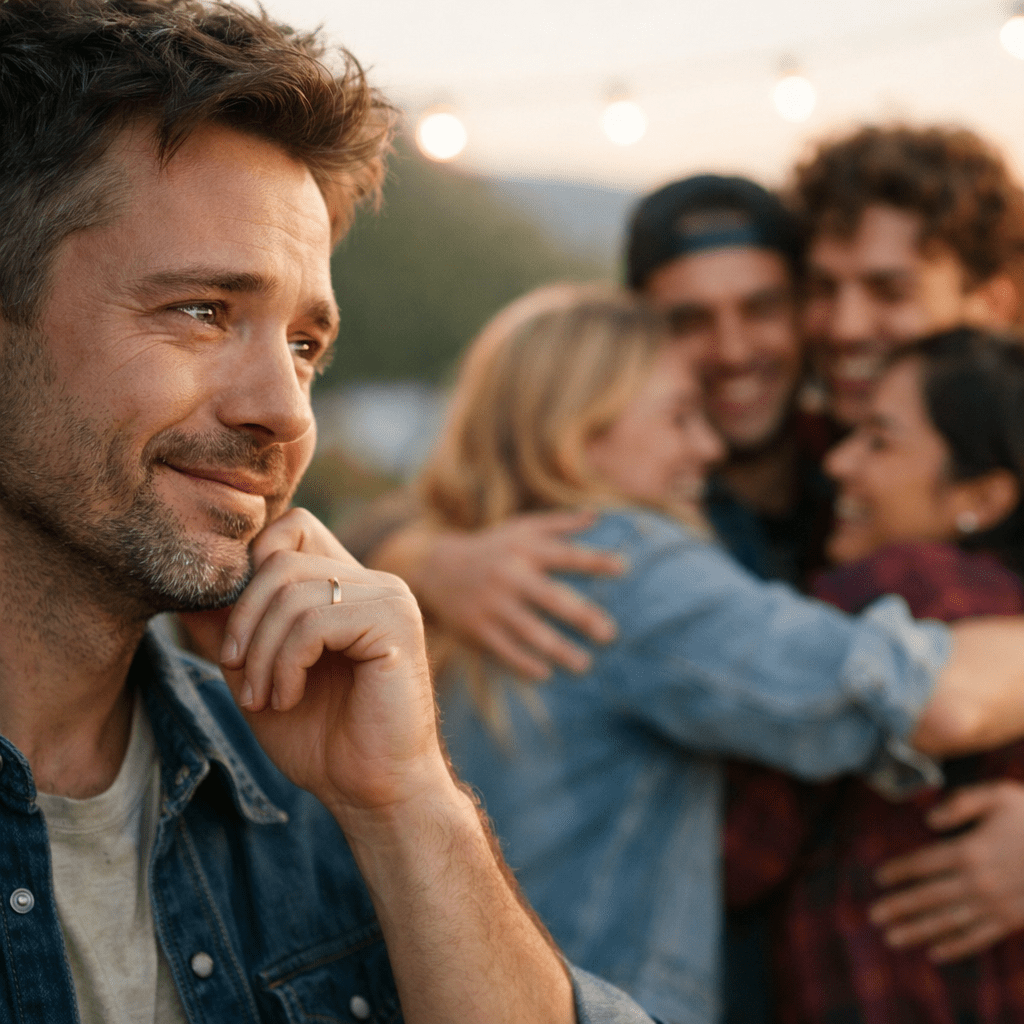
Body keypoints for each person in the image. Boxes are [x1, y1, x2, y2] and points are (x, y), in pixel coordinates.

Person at [0, 3, 655, 1022]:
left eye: (305, 345)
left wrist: (409, 806)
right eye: (204, 311)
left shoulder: (307, 779)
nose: (283, 411)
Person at [412, 281, 1024, 1024]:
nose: (708, 446)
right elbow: (917, 697)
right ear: (579, 432)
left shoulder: (466, 576)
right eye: (680, 416)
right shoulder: (620, 566)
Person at [725, 328, 1024, 1022]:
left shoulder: (890, 588)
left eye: (878, 442)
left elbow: (741, 855)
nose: (838, 462)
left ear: (980, 494)